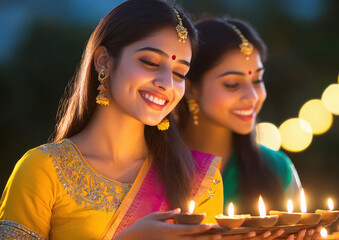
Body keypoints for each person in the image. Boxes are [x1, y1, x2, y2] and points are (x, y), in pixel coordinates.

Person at [0, 1, 224, 239]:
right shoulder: (42, 170)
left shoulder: (198, 182)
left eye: (179, 73)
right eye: (150, 62)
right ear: (104, 61)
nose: (167, 84)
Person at [178, 18, 320, 239]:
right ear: (189, 89)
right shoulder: (153, 164)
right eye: (232, 84)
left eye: (258, 80)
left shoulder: (277, 168)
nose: (252, 97)